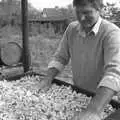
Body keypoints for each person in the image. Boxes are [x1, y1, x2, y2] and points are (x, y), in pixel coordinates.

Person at [38, 0, 120, 119]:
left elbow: (115, 73)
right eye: (78, 12)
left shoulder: (112, 33)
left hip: (104, 101)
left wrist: (93, 110)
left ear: (99, 9)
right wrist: (47, 78)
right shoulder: (72, 29)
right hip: (79, 93)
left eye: (87, 12)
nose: (81, 18)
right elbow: (60, 57)